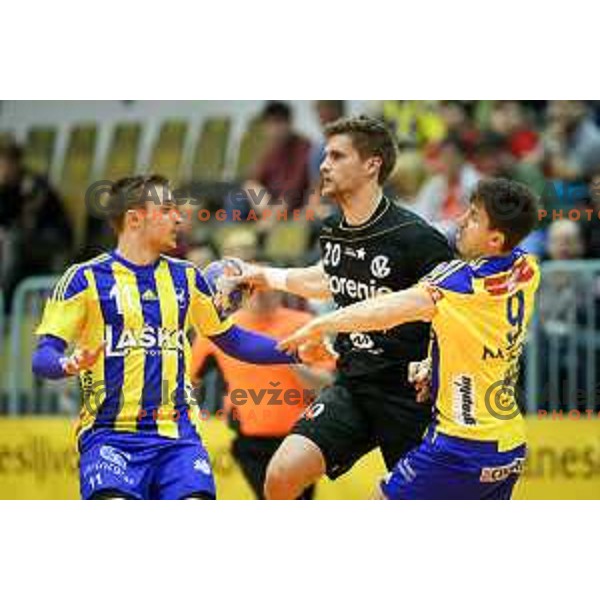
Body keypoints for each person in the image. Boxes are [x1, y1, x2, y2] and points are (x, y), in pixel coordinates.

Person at [30, 175, 307, 500]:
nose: (179, 217)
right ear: (134, 219)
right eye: (166, 210)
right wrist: (68, 362)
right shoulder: (82, 279)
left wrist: (298, 349)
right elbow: (42, 356)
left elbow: (233, 340)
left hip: (178, 437)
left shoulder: (187, 277)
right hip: (109, 436)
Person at [227, 116, 453, 500]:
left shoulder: (418, 238)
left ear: (371, 165)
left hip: (411, 396)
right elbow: (326, 277)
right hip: (353, 384)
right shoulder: (332, 230)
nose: (323, 165)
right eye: (324, 155)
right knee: (280, 476)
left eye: (336, 155)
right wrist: (263, 275)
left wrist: (434, 362)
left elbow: (454, 310)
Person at [280, 178, 540, 500]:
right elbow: (479, 333)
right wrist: (432, 362)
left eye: (473, 217)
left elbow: (386, 310)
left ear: (496, 238)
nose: (461, 221)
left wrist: (320, 324)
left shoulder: (457, 284)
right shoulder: (526, 268)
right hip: (509, 445)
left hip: (460, 446)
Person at [191, 285, 335, 499]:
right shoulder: (220, 329)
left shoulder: (303, 324)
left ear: (279, 291)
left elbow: (325, 383)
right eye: (252, 290)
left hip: (300, 437)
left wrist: (289, 358)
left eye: (265, 289)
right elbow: (187, 378)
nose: (259, 296)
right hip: (249, 439)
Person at [0, 142, 72, 311]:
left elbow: (28, 224)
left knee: (12, 241)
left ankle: (4, 304)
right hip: (23, 242)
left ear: (15, 164)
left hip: (52, 240)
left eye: (4, 164)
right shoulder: (4, 189)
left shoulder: (33, 185)